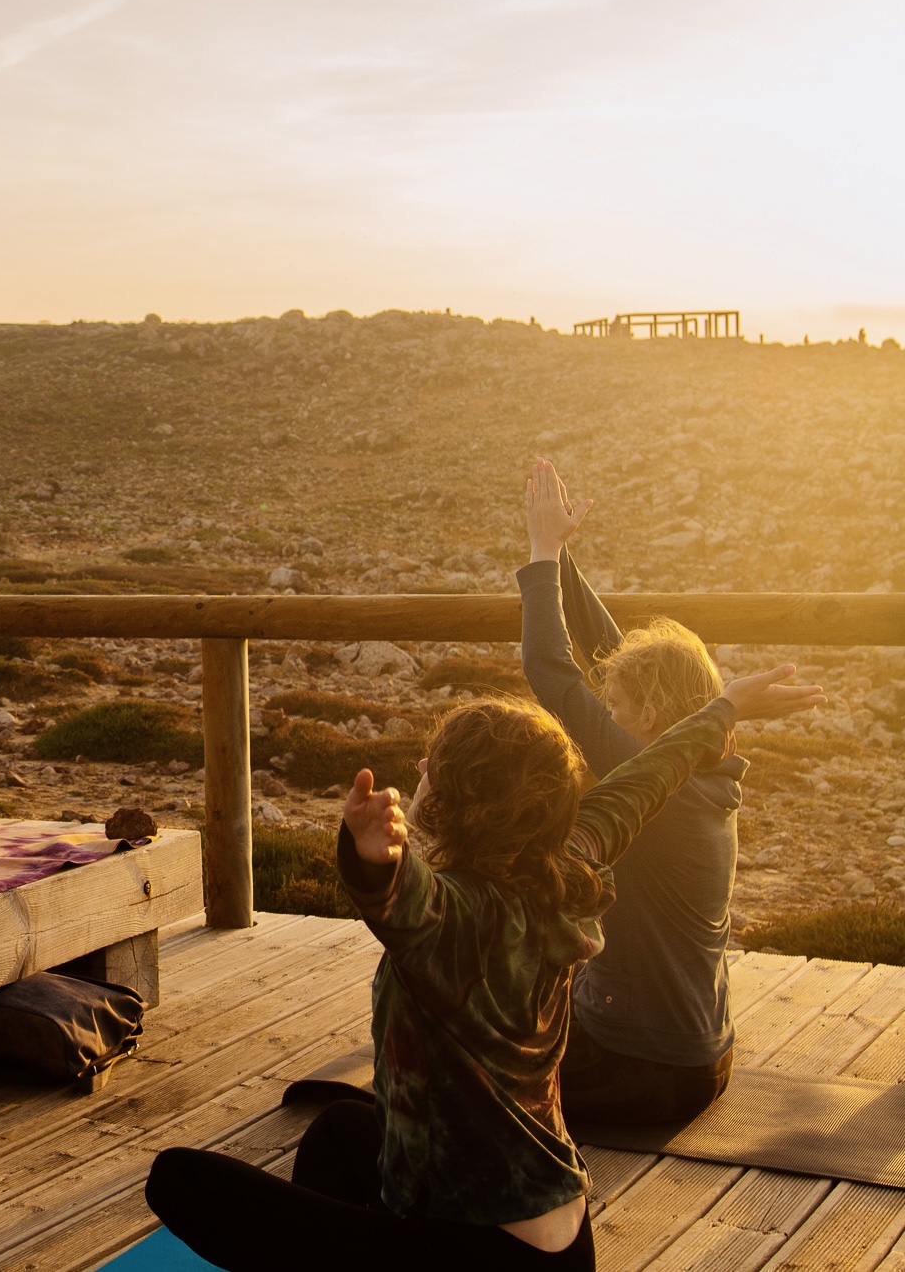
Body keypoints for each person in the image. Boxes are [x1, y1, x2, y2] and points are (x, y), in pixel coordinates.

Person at [145, 665, 824, 1270]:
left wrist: (374, 860)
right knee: (338, 1133)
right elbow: (645, 778)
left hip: (479, 1255)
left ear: (458, 803)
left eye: (431, 767)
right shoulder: (567, 864)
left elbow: (404, 902)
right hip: (559, 1234)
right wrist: (723, 707)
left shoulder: (457, 918)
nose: (420, 768)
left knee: (177, 1179)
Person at [520, 458, 756, 1124]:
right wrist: (561, 556)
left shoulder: (658, 790)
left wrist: (540, 555)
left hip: (638, 1068)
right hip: (702, 1055)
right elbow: (606, 651)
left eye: (618, 707)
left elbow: (550, 669)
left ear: (652, 715)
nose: (608, 715)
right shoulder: (699, 769)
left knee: (477, 1057)